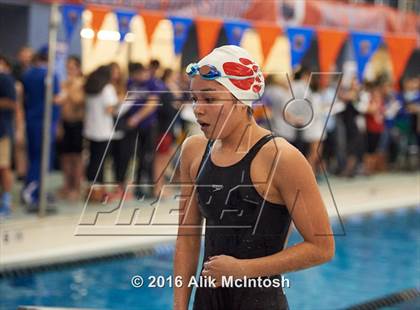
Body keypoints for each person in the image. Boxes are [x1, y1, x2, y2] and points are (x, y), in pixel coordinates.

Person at [173, 45, 335, 310]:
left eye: (210, 100)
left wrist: (243, 270)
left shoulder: (281, 158)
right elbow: (187, 238)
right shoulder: (194, 150)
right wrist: (179, 307)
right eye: (194, 98)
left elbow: (322, 247)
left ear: (240, 101)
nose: (197, 109)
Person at [21, 46, 61, 212]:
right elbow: (55, 99)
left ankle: (32, 190)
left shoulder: (27, 74)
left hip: (31, 120)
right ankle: (33, 192)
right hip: (45, 121)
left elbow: (24, 98)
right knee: (42, 158)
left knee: (33, 156)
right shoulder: (51, 75)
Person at [83, 65, 119, 202]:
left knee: (92, 161)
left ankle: (90, 191)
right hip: (103, 130)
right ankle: (99, 194)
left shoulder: (91, 88)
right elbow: (109, 109)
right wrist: (119, 105)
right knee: (101, 162)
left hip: (90, 129)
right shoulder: (107, 88)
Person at [57, 56, 85, 201]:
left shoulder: (81, 83)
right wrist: (59, 125)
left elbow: (78, 101)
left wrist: (69, 88)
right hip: (65, 123)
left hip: (77, 124)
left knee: (76, 157)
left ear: (78, 69)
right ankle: (66, 185)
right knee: (65, 157)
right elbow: (59, 106)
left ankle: (76, 186)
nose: (69, 70)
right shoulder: (64, 84)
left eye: (72, 68)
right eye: (67, 68)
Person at [0, 55, 17, 216]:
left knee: (4, 166)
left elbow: (13, 103)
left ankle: (7, 200)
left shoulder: (5, 79)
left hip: (2, 132)